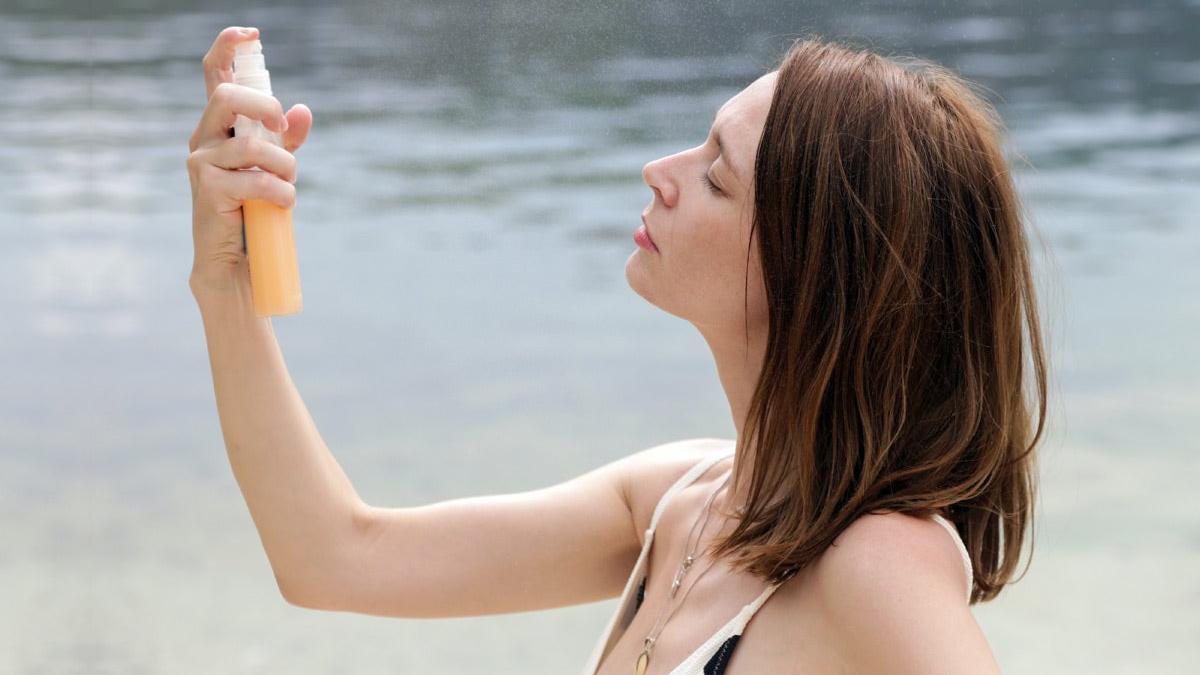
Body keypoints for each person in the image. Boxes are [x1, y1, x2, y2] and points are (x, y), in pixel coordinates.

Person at [187, 26, 1046, 675]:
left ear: (812, 273)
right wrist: (226, 285)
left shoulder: (877, 559)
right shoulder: (683, 498)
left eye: (716, 174)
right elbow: (334, 558)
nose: (659, 171)